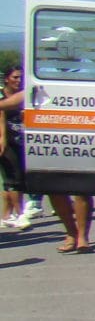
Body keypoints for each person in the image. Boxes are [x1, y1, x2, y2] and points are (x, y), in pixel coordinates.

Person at [1, 66, 26, 230]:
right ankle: (20, 214)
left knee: (13, 180)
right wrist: (2, 138)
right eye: (15, 77)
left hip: (22, 141)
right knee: (13, 179)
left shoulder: (24, 96)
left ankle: (6, 215)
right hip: (7, 141)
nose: (19, 80)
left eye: (21, 77)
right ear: (6, 79)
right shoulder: (2, 97)